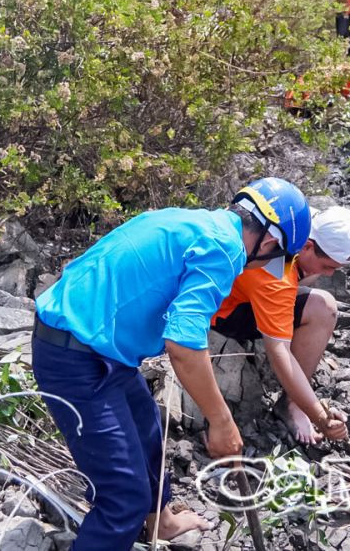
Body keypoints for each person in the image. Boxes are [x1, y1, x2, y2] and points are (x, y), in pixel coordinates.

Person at [32, 178, 311, 549]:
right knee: (123, 501)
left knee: (148, 432)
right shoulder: (225, 249)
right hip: (76, 357)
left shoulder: (196, 221)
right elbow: (182, 344)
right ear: (271, 242)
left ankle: (161, 522)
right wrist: (221, 421)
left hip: (96, 346)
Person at [211, 205, 350, 444]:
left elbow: (327, 223)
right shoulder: (276, 279)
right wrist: (319, 415)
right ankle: (291, 406)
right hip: (222, 313)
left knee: (311, 282)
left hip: (240, 287)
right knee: (324, 308)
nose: (328, 274)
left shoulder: (297, 220)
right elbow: (279, 353)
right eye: (328, 266)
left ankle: (294, 401)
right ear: (308, 246)